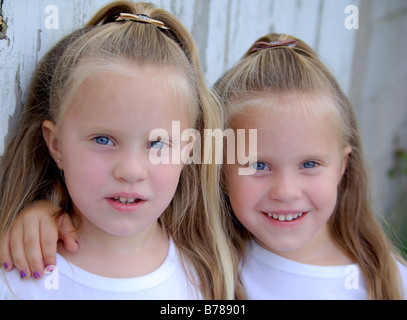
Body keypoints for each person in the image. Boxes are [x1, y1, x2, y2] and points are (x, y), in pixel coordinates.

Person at [0, 1, 242, 300]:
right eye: (103, 140)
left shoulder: (208, 275)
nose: (130, 170)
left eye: (157, 144)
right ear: (56, 144)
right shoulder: (16, 275)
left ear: (186, 151)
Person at [213, 33, 407, 299]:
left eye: (309, 163)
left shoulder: (388, 283)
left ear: (342, 166)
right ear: (222, 173)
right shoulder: (204, 272)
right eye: (259, 165)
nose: (286, 191)